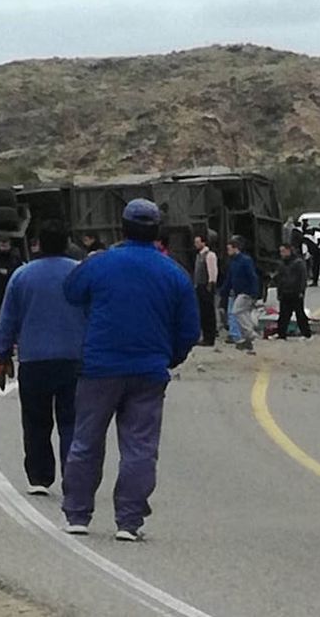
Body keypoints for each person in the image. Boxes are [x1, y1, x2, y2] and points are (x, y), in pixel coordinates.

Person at [61, 199, 199, 539]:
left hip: (99, 368)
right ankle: (129, 520)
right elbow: (189, 329)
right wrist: (170, 357)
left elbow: (71, 291)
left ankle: (78, 514)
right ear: (157, 231)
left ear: (122, 228)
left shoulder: (101, 263)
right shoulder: (174, 273)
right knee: (140, 447)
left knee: (86, 441)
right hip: (149, 371)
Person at [0, 221, 87, 496]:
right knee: (71, 421)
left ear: (39, 245)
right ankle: (73, 475)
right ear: (67, 243)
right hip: (74, 359)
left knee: (36, 421)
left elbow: (7, 320)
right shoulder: (79, 273)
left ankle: (39, 477)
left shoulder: (22, 276)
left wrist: (3, 355)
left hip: (34, 361)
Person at [217, 237, 259, 353]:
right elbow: (229, 279)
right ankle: (248, 340)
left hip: (246, 292)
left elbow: (252, 276)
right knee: (242, 312)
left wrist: (255, 293)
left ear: (236, 248)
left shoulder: (245, 260)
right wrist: (222, 291)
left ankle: (250, 334)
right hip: (238, 292)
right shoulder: (233, 262)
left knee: (236, 311)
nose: (227, 251)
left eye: (229, 249)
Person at [274, 244, 312, 340]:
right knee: (283, 315)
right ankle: (281, 334)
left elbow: (303, 278)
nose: (281, 253)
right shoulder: (282, 264)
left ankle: (306, 334)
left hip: (295, 292)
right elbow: (279, 279)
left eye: (283, 251)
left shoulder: (298, 262)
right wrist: (279, 292)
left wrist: (301, 291)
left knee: (300, 314)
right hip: (285, 292)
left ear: (288, 251)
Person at [193, 234, 218, 346]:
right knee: (202, 312)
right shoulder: (199, 255)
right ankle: (205, 336)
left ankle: (210, 337)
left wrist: (211, 283)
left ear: (203, 243)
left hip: (206, 286)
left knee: (208, 312)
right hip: (199, 285)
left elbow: (212, 270)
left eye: (197, 242)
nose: (196, 244)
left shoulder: (210, 255)